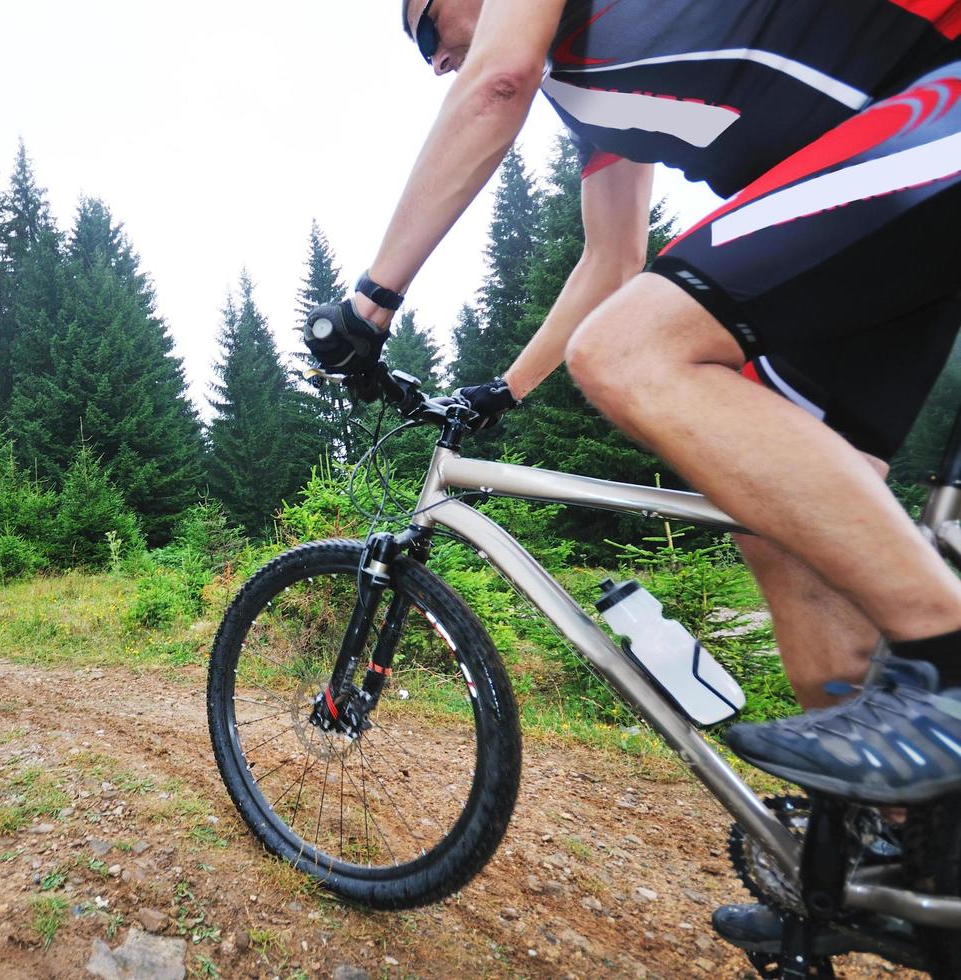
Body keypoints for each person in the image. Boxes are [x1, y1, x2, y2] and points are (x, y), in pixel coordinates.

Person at [304, 0, 961, 954]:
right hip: (881, 202)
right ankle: (889, 868)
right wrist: (503, 391)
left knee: (627, 355)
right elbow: (612, 259)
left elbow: (496, 81)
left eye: (423, 26)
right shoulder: (597, 102)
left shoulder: (539, 41)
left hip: (926, 110)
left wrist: (371, 300)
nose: (433, 58)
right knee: (779, 524)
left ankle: (946, 674)